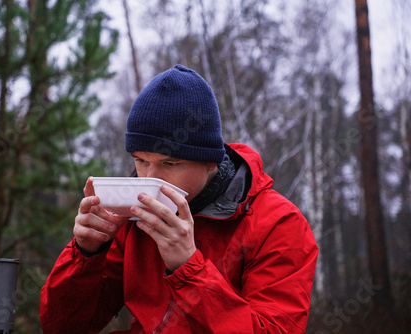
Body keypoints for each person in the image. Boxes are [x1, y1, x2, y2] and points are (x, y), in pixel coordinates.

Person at [39, 64, 318, 333]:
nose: (150, 177)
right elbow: (63, 327)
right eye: (140, 160)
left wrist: (188, 268)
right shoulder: (129, 216)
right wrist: (87, 253)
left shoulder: (279, 225)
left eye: (170, 164)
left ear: (211, 162)